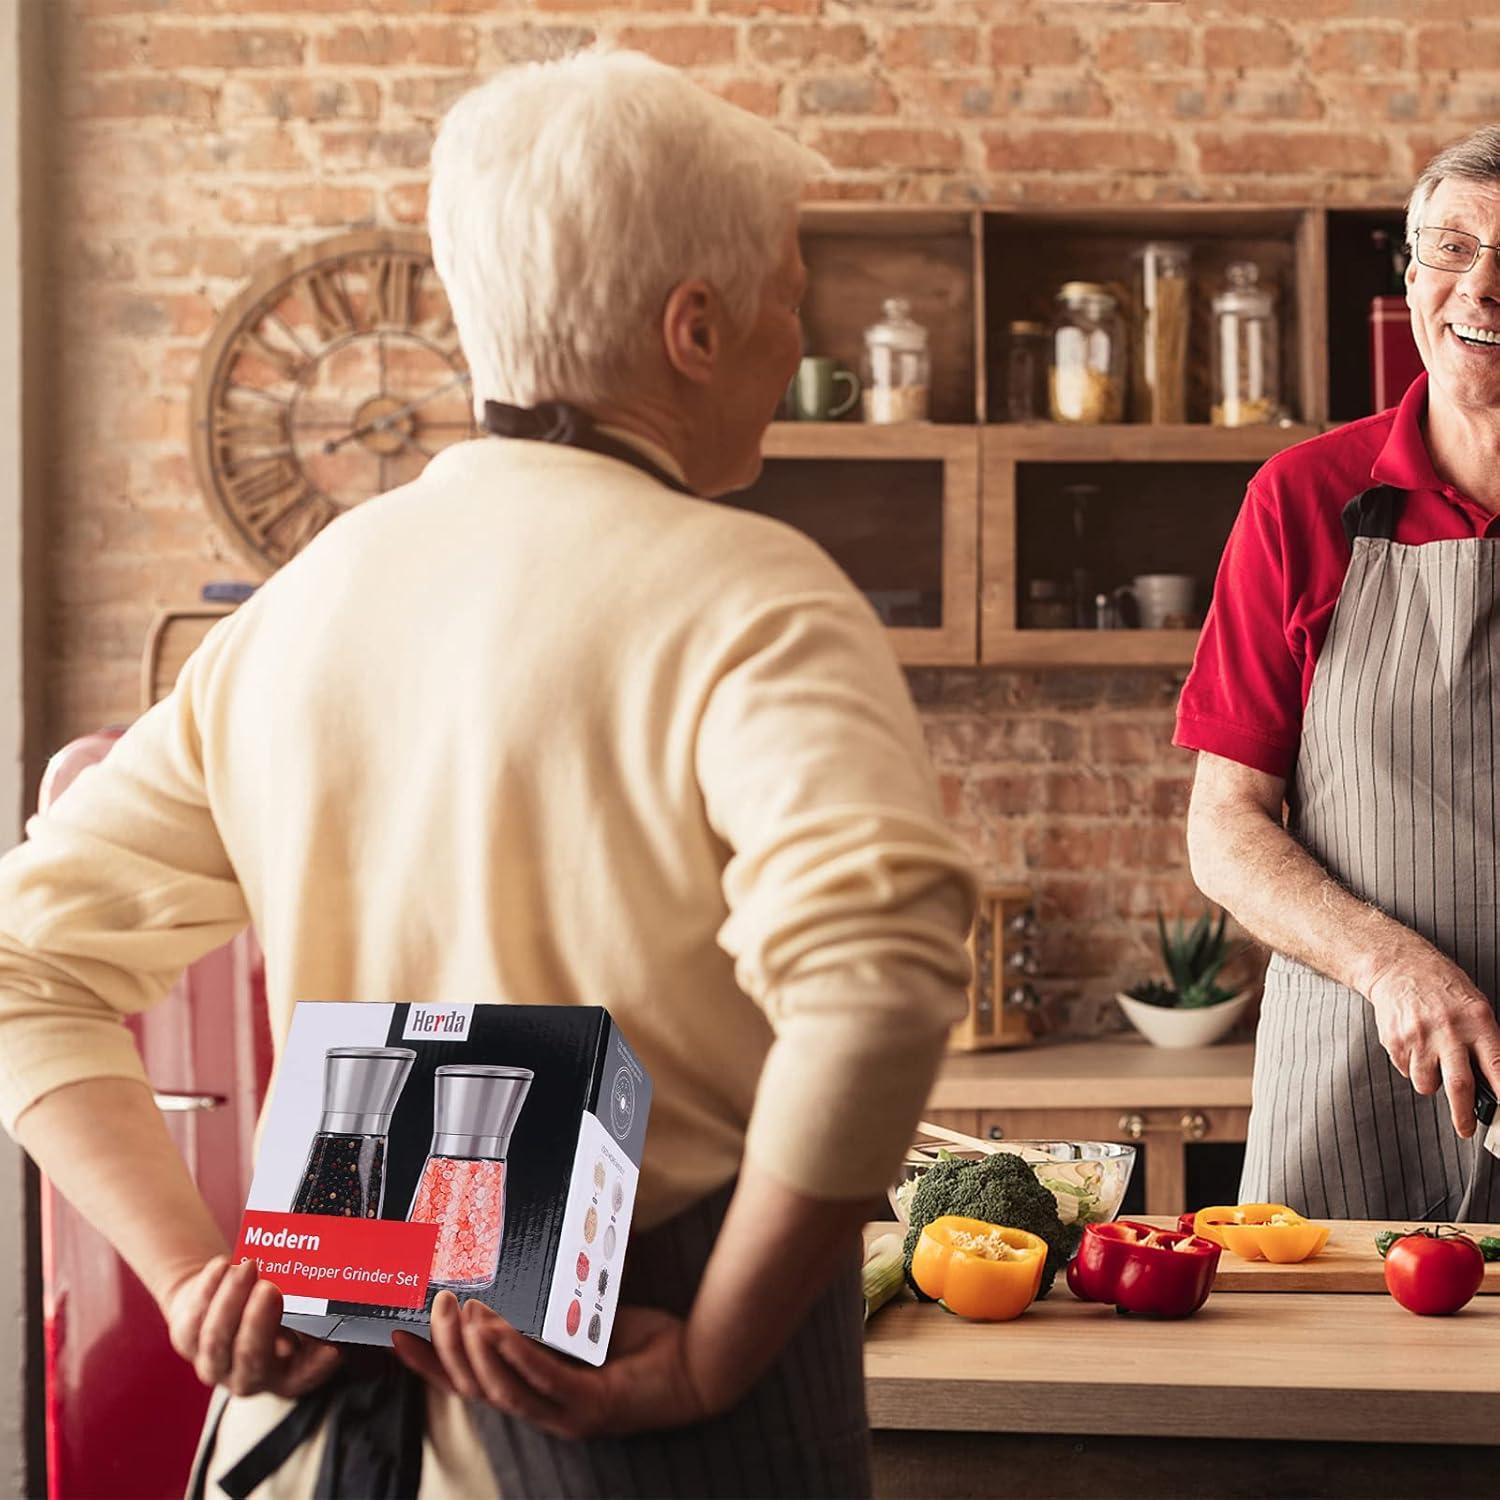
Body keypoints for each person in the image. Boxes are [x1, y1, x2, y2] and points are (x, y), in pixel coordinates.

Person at [0, 51, 976, 1499]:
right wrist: (715, 1349)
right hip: (644, 1413)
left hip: (308, 1433)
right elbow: (881, 979)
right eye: (787, 294)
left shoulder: (296, 610)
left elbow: (22, 963)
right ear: (692, 329)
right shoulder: (750, 595)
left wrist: (193, 1273)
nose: (796, 337)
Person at [1178, 124, 1500, 1224]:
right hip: (1354, 1087)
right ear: (1412, 279)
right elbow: (1226, 824)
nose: (1485, 289)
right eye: (1453, 248)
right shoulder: (1304, 500)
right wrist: (1388, 963)